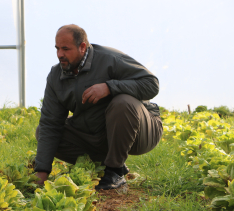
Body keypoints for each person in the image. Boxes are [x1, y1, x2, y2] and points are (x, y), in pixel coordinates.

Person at [34, 24, 163, 190]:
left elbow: (151, 85)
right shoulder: (56, 76)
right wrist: (42, 171)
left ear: (82, 47)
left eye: (65, 49)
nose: (60, 55)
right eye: (57, 49)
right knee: (42, 131)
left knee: (122, 102)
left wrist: (109, 87)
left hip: (142, 131)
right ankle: (106, 164)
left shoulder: (110, 59)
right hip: (98, 134)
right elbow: (50, 123)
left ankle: (115, 169)